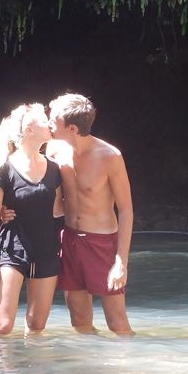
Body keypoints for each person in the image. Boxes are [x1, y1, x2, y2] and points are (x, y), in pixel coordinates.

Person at [46, 92, 134, 335]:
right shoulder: (54, 150)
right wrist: (7, 210)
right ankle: (91, 359)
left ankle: (131, 359)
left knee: (117, 323)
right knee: (79, 320)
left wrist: (121, 262)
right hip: (69, 240)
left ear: (72, 128)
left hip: (102, 243)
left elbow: (126, 210)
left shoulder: (110, 156)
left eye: (53, 119)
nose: (48, 122)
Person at [0, 103, 64, 337]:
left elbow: (59, 210)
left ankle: (31, 364)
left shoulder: (54, 168)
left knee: (37, 326)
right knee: (3, 326)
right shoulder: (3, 169)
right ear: (29, 130)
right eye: (44, 121)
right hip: (13, 250)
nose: (50, 124)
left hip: (46, 251)